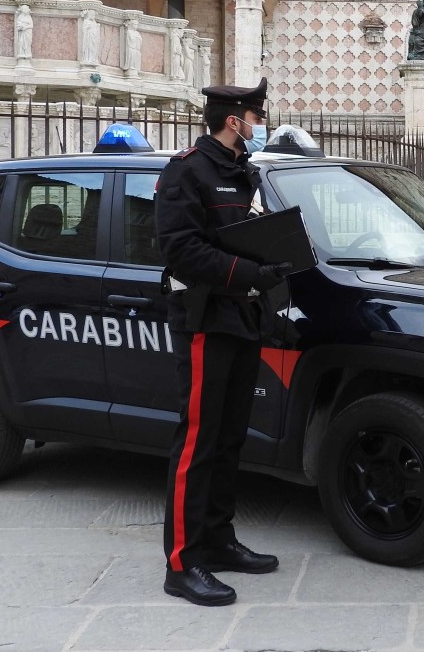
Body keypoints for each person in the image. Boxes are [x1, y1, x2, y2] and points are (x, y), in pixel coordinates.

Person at [154, 77, 292, 607]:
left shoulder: (242, 172)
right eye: (255, 118)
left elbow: (242, 237)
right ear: (234, 120)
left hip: (242, 317)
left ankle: (218, 540)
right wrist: (251, 273)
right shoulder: (187, 171)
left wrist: (274, 259)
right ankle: (182, 562)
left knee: (230, 438)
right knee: (198, 443)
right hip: (205, 320)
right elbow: (181, 250)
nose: (260, 125)